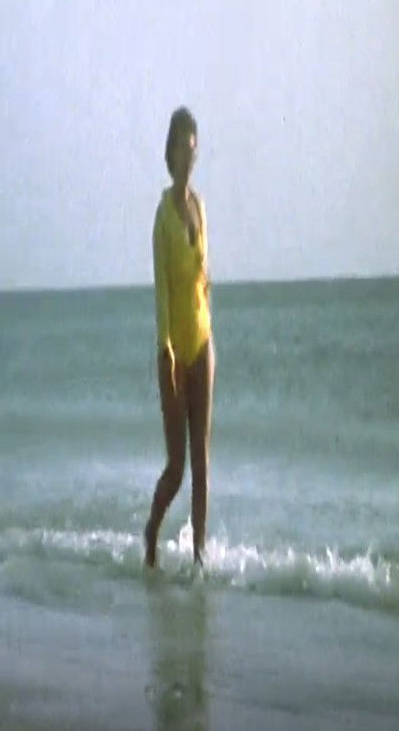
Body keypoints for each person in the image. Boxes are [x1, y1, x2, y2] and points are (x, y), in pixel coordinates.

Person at [144, 107, 215, 569]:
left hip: (203, 340)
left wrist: (208, 296)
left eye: (192, 149)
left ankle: (199, 559)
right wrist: (166, 348)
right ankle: (152, 529)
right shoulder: (163, 215)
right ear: (169, 154)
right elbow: (162, 289)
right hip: (173, 352)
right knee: (177, 467)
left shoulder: (200, 207)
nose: (187, 157)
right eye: (180, 149)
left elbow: (201, 272)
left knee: (202, 460)